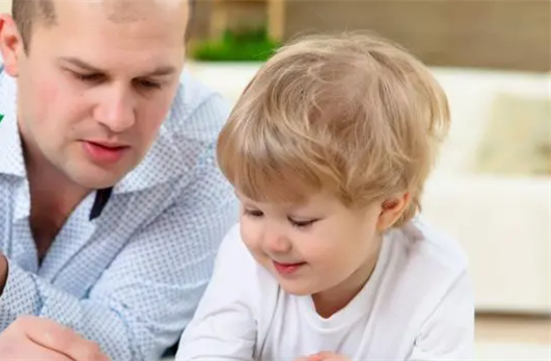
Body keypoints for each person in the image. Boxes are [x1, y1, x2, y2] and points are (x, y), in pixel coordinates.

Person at [0, 0, 238, 359]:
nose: (117, 118)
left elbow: (130, 341)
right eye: (85, 75)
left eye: (151, 82)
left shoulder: (208, 146)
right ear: (12, 45)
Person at [175, 33, 475, 361]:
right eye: (253, 211)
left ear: (387, 208)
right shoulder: (244, 259)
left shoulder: (435, 275)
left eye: (301, 221)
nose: (273, 241)